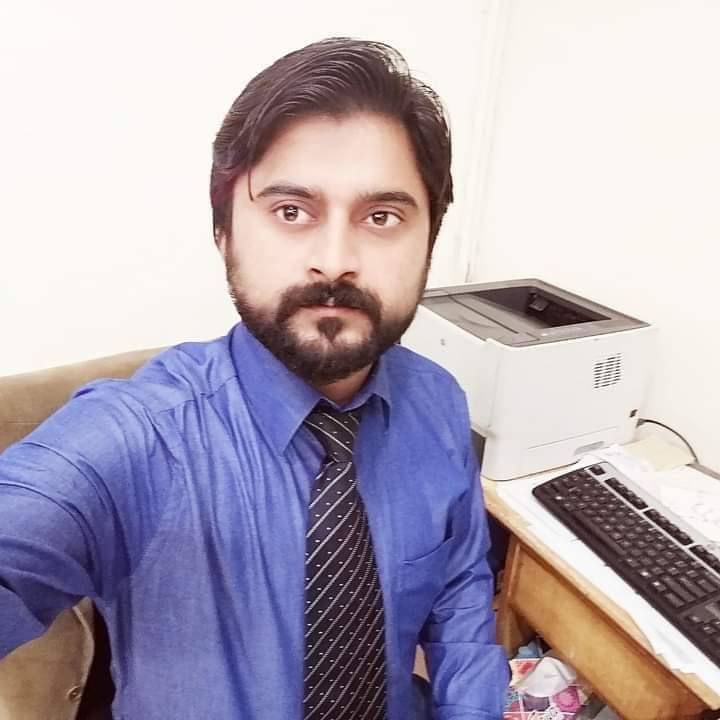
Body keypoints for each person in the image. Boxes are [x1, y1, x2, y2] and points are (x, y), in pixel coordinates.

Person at [0, 37, 509, 719]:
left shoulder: (438, 401)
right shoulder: (138, 439)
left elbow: (459, 600)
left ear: (429, 243)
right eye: (291, 211)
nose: (335, 260)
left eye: (381, 217)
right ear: (225, 235)